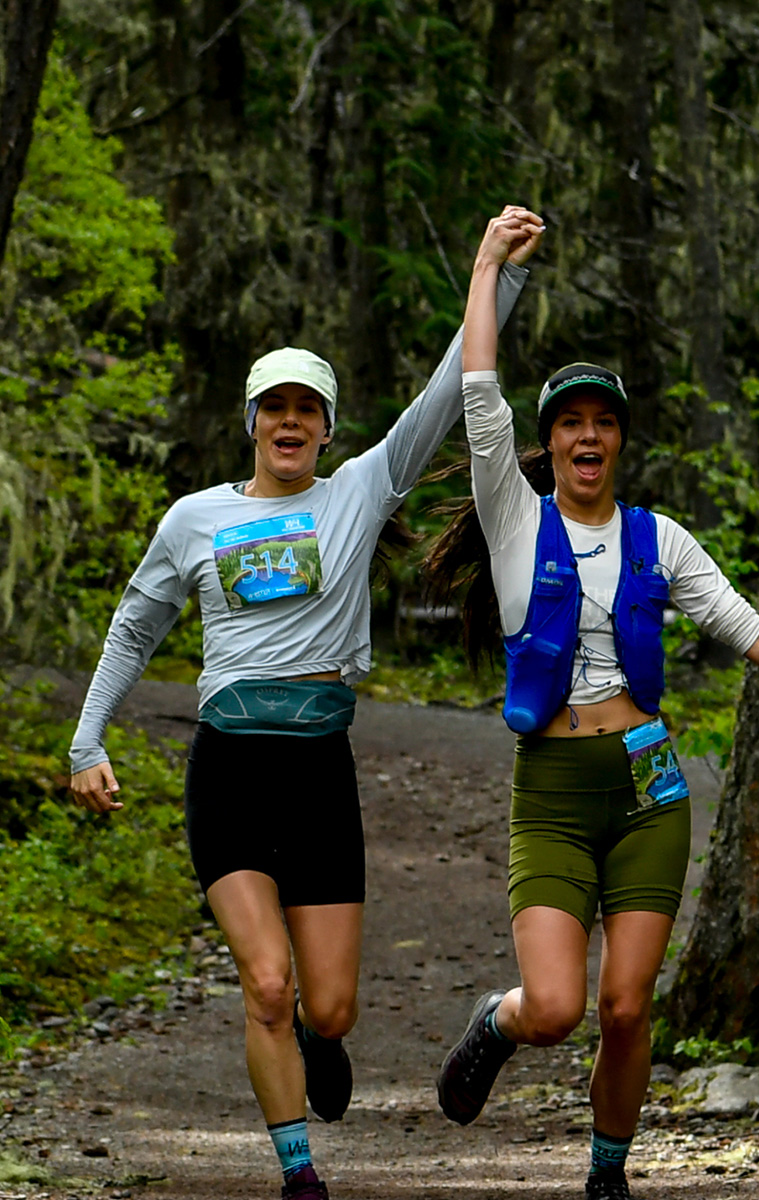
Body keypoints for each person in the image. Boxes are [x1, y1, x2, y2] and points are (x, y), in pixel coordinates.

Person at [67, 206, 545, 1200]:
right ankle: (299, 1173)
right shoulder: (195, 519)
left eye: (308, 410)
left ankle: (322, 1045)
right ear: (251, 423)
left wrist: (497, 269)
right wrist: (86, 742)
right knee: (269, 986)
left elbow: (448, 395)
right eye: (273, 408)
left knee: (328, 1008)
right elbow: (131, 630)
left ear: (327, 428)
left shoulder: (359, 491)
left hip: (319, 774)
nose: (290, 422)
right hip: (232, 771)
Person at [428, 219, 759, 1200]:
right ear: (548, 444)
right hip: (552, 789)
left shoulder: (659, 539)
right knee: (556, 1007)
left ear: (619, 441)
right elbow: (479, 394)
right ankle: (494, 1022)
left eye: (602, 423)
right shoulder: (516, 518)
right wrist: (485, 267)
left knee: (628, 1008)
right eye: (569, 424)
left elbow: (741, 622)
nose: (586, 437)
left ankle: (606, 1175)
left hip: (648, 786)